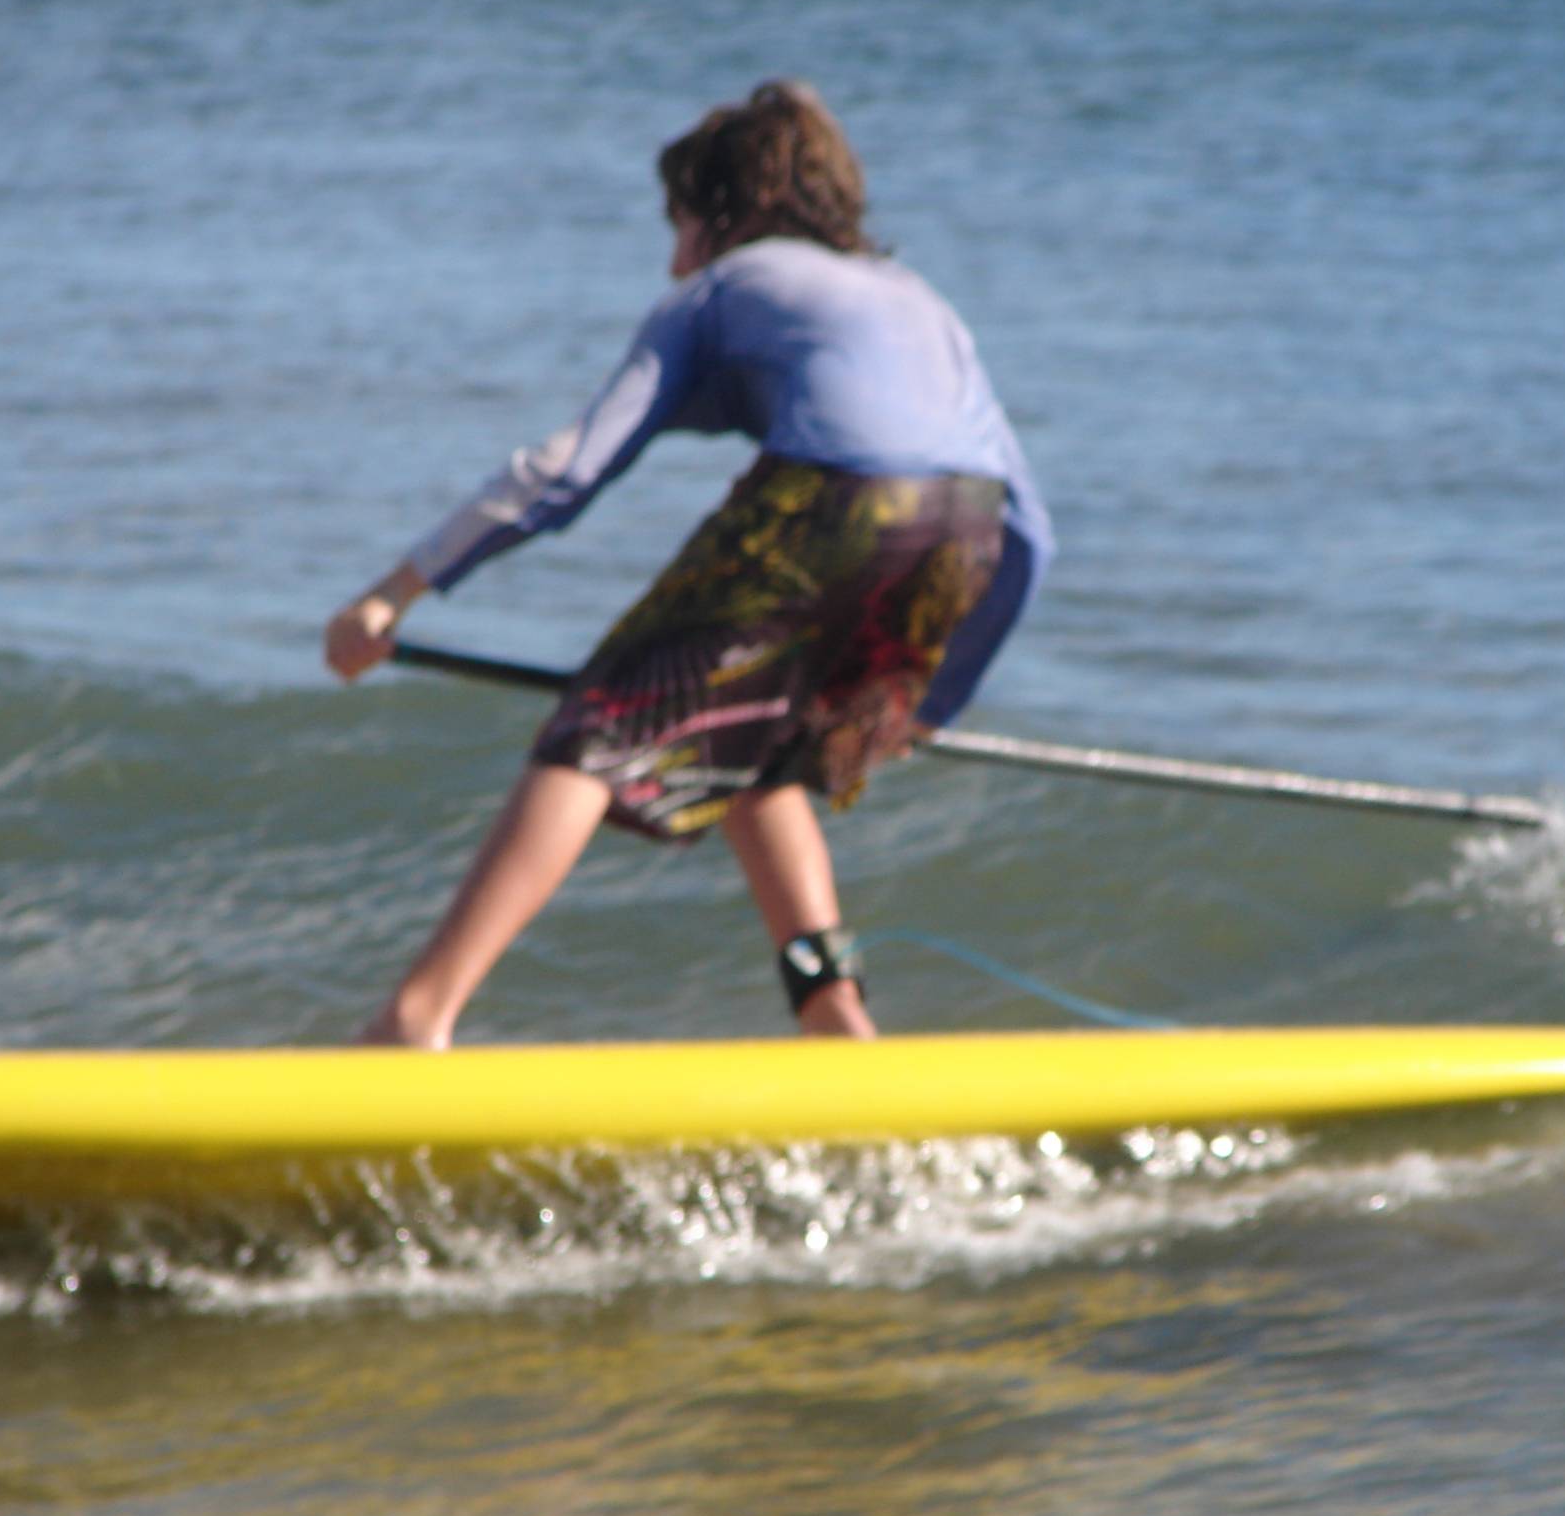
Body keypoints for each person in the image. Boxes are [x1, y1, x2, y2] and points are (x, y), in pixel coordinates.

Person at [323, 81, 1053, 1046]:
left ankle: (420, 1015)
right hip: (969, 523)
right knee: (762, 746)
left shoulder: (719, 287)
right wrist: (935, 698)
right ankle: (837, 1021)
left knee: (598, 726)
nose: (672, 259)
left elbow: (566, 470)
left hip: (831, 499)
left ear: (727, 215)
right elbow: (1035, 531)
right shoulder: (921, 302)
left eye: (680, 226)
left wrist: (392, 594)